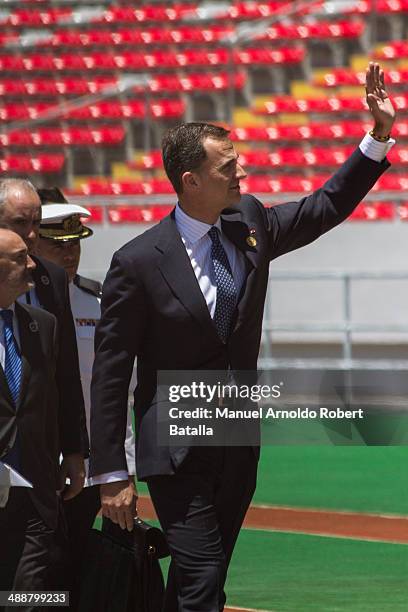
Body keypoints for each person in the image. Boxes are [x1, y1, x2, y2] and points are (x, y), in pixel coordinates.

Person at [89, 63, 396, 611]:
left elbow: (323, 208)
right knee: (203, 577)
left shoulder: (249, 221)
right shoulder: (136, 262)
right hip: (176, 445)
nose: (243, 174)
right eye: (228, 167)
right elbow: (111, 373)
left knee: (197, 577)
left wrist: (375, 138)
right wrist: (112, 471)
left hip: (236, 437)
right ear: (191, 181)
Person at [36, 195, 136, 611]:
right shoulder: (13, 304)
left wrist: (123, 462)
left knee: (86, 569)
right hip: (30, 465)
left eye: (74, 242)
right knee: (31, 575)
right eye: (57, 243)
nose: (69, 252)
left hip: (92, 468)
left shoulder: (100, 301)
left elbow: (122, 390)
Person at [0, 179, 86, 502]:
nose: (32, 234)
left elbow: (65, 373)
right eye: (20, 223)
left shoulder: (53, 279)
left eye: (36, 223)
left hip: (39, 460)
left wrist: (74, 450)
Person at [0, 229, 65, 604]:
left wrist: (67, 455)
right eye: (20, 256)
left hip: (35, 490)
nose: (31, 264)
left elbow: (52, 402)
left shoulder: (44, 325)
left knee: (29, 596)